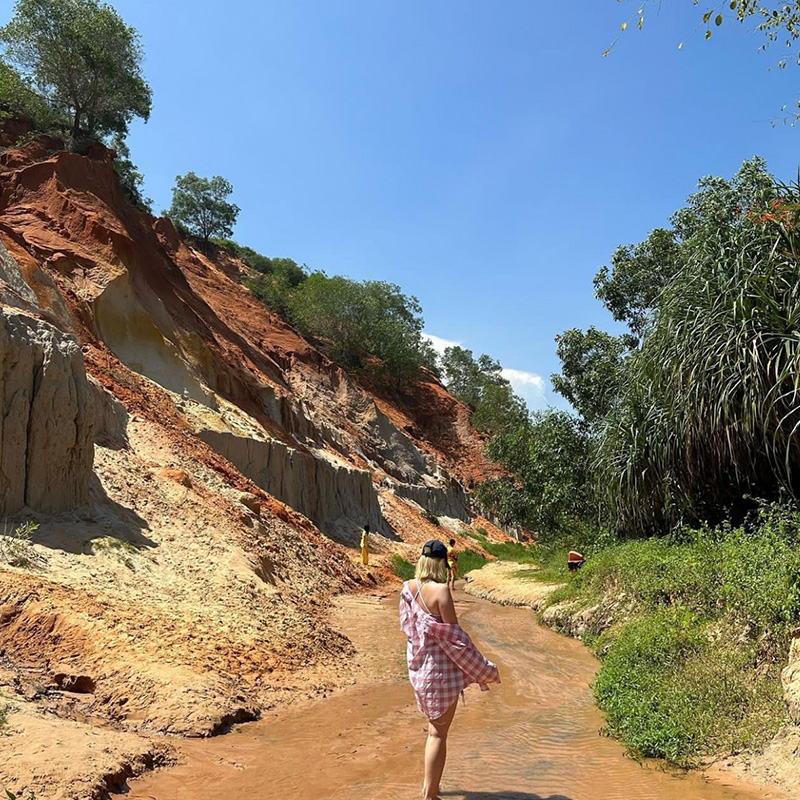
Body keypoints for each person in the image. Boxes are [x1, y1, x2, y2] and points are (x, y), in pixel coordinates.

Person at [399, 539, 500, 800]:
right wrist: (482, 669)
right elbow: (456, 640)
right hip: (440, 674)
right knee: (438, 735)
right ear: (443, 563)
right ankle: (430, 796)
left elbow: (409, 630)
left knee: (433, 730)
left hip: (419, 670)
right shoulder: (441, 591)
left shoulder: (408, 588)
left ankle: (429, 786)